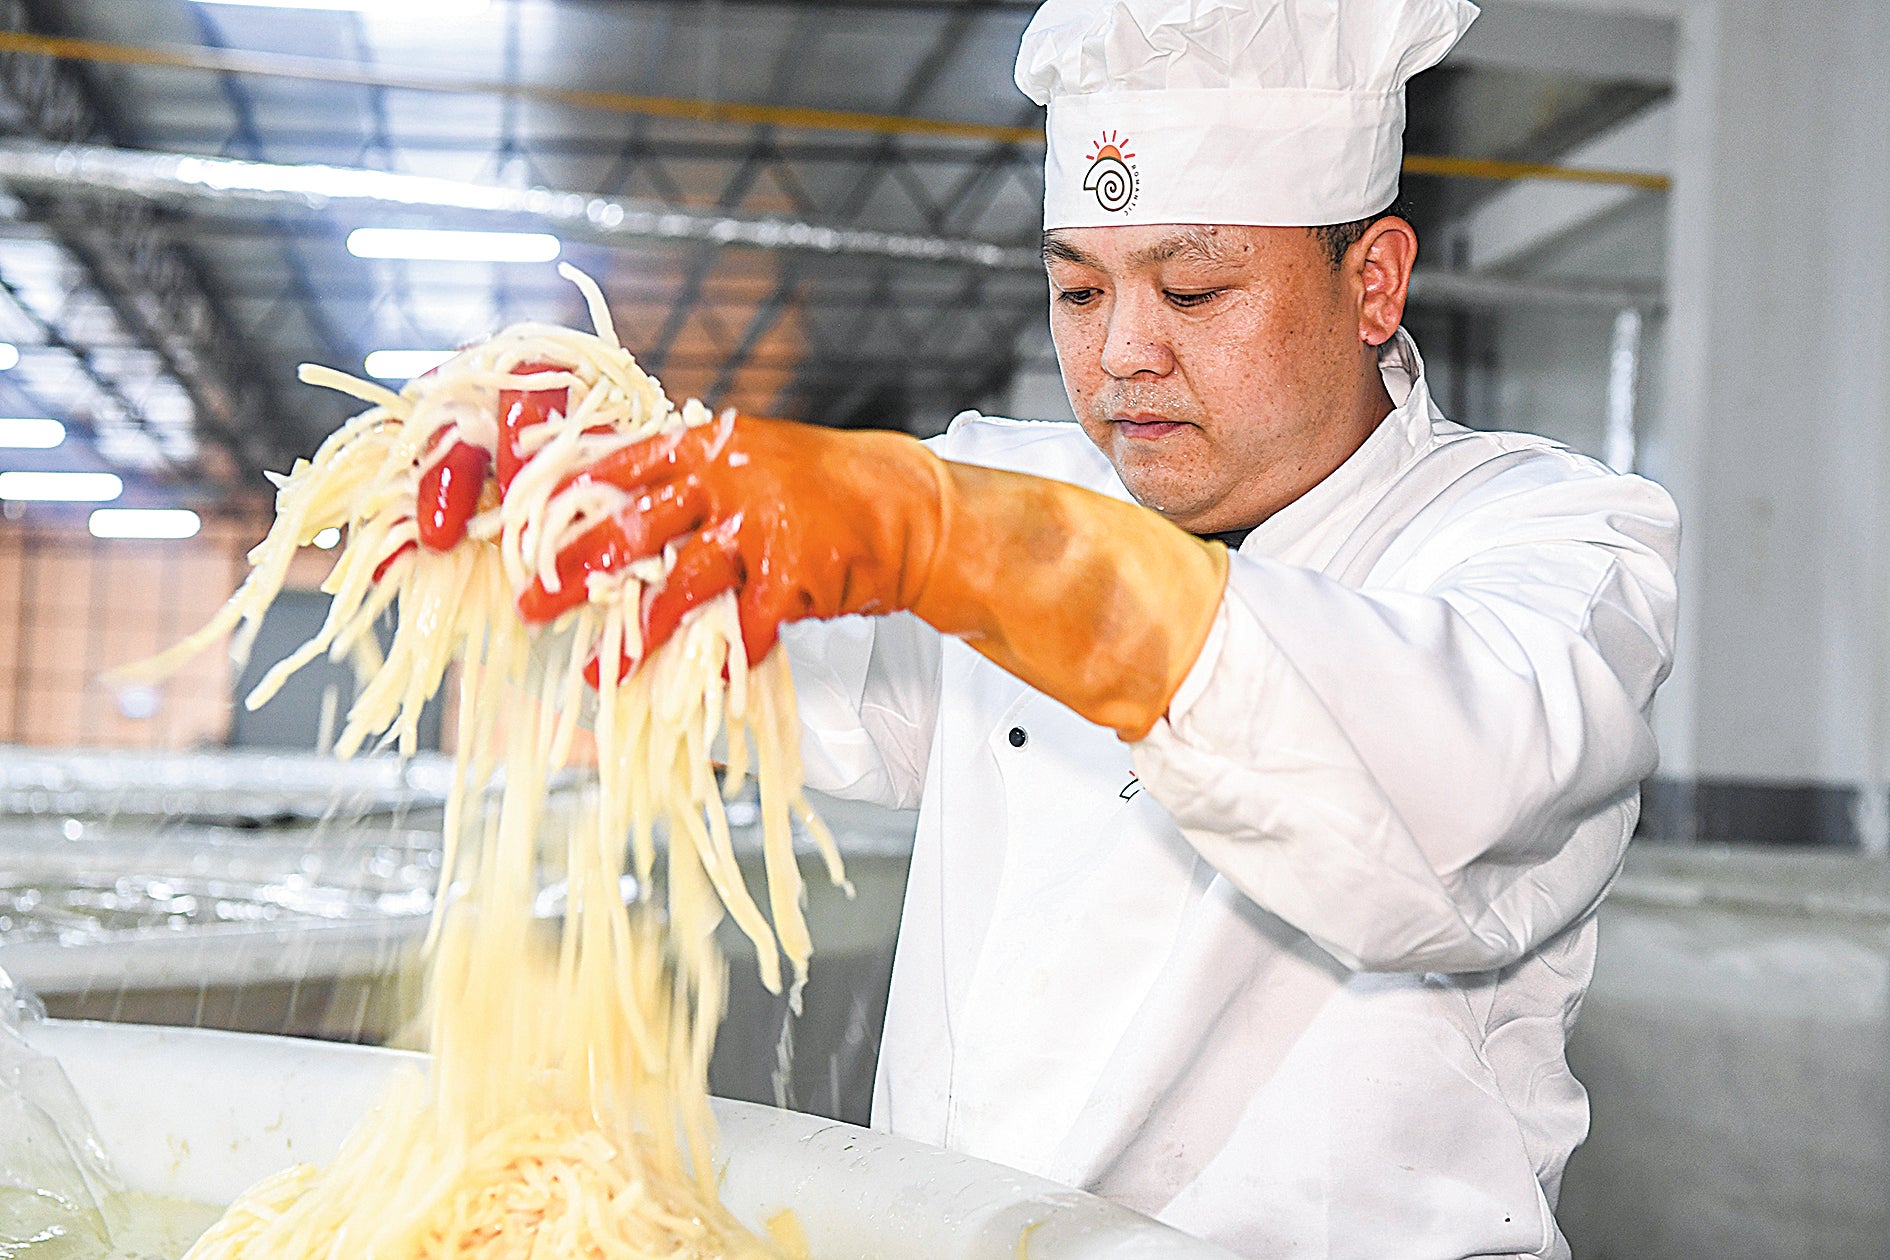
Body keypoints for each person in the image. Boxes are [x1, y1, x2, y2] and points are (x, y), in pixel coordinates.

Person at [522, 0, 1681, 1254]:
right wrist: (587, 528)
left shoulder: (1549, 538)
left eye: (1193, 289)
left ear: (1374, 283)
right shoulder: (1011, 486)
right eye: (1079, 288)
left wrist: (979, 549)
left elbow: (1443, 794)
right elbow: (757, 662)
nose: (1126, 355)